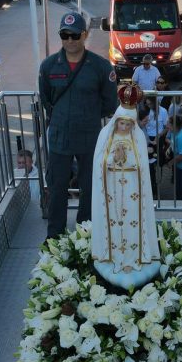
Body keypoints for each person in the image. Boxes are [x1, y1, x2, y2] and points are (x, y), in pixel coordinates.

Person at [38, 12, 118, 239]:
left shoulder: (101, 67)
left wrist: (87, 116)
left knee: (90, 187)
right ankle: (54, 236)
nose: (70, 40)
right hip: (59, 137)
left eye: (74, 35)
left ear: (84, 34)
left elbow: (109, 102)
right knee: (57, 188)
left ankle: (86, 233)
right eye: (65, 35)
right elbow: (46, 99)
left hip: (89, 136)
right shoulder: (49, 66)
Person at [90, 93, 160, 289]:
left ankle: (131, 259)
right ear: (116, 122)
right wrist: (114, 158)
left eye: (129, 124)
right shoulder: (106, 138)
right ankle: (113, 257)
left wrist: (127, 159)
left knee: (132, 227)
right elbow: (99, 164)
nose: (125, 128)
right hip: (112, 193)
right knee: (113, 225)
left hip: (132, 193)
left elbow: (142, 167)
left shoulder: (137, 140)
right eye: (122, 124)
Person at [165, 114, 182, 200]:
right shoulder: (174, 132)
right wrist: (169, 150)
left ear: (175, 125)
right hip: (179, 166)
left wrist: (171, 162)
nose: (167, 125)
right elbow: (173, 144)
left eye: (169, 123)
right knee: (178, 188)